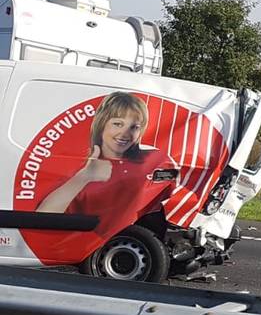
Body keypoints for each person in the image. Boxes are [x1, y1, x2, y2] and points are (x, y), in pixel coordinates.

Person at [37, 91, 176, 238]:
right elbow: (43, 217)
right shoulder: (79, 164)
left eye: (134, 127)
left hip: (141, 240)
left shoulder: (154, 159)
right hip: (85, 247)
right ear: (102, 124)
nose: (125, 133)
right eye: (118, 124)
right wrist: (84, 177)